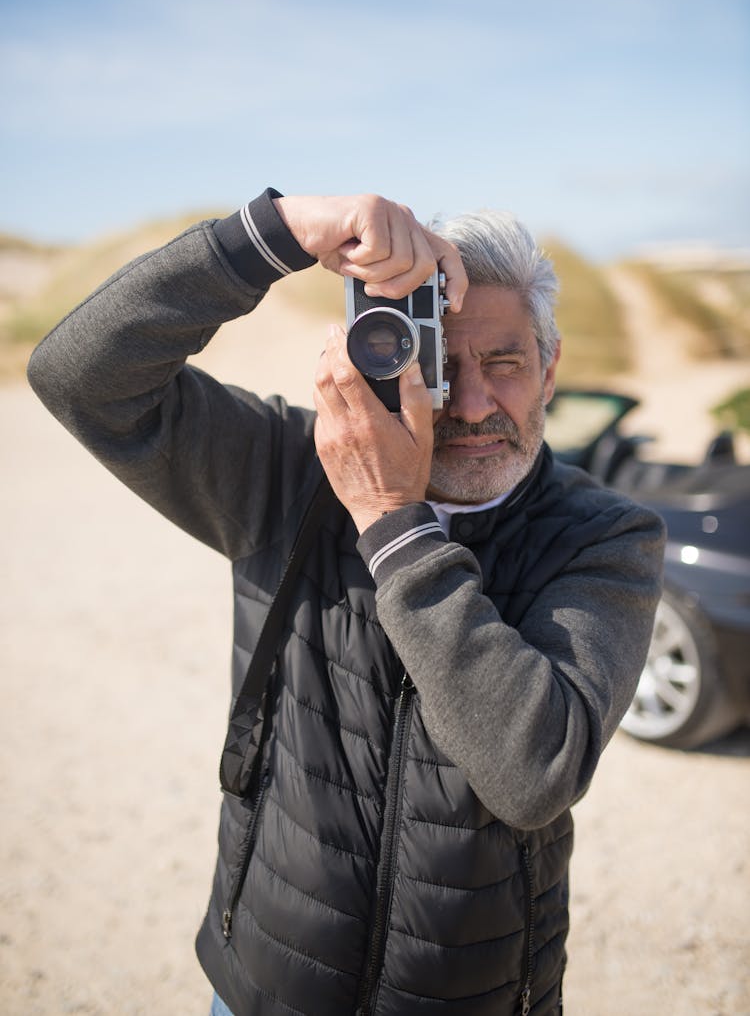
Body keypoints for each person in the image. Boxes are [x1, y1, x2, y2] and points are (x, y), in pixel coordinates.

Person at [28, 189, 665, 1016]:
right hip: (266, 983)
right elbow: (79, 379)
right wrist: (273, 234)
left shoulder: (603, 534)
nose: (472, 405)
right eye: (438, 364)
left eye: (504, 363)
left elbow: (532, 773)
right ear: (384, 357)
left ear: (549, 367)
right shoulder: (292, 473)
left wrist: (390, 523)